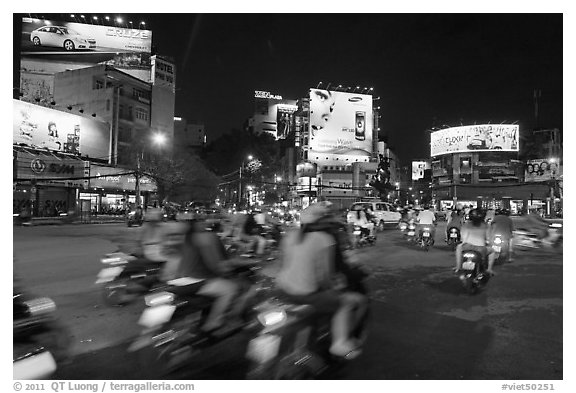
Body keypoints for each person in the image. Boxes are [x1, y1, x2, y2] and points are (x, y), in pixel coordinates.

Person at [276, 202, 369, 359]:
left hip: (282, 290)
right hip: (306, 294)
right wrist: (333, 289)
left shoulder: (290, 236)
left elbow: (282, 264)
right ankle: (339, 343)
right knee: (348, 302)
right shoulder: (324, 239)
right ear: (321, 221)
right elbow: (326, 276)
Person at [161, 219, 245, 335]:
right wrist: (226, 271)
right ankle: (213, 323)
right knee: (230, 289)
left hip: (174, 281)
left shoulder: (178, 241)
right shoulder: (204, 239)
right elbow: (215, 265)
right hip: (193, 281)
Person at [455, 208, 496, 275]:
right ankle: (489, 269)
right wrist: (488, 242)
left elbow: (463, 237)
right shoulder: (486, 226)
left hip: (466, 247)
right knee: (492, 251)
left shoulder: (466, 224)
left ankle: (458, 267)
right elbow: (488, 238)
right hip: (481, 249)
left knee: (458, 247)